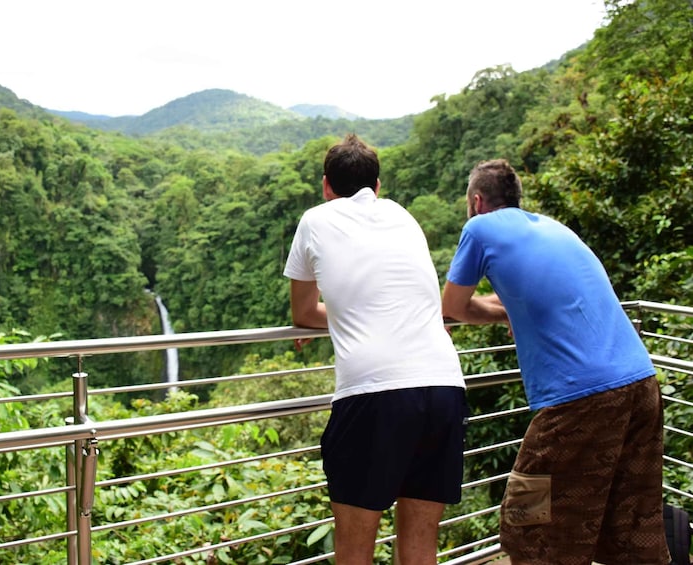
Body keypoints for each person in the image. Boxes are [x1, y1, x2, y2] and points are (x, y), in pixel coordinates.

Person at [441, 158, 669, 565]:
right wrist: (511, 308)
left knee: (527, 516)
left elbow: (454, 306)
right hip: (642, 383)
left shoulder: (479, 228)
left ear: (477, 201)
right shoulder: (553, 228)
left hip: (581, 397)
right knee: (632, 522)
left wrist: (500, 313)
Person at [283, 134, 467, 565]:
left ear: (327, 186)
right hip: (443, 387)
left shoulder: (314, 219)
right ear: (378, 186)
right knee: (421, 550)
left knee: (354, 551)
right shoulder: (403, 216)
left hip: (373, 394)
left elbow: (304, 312)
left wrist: (338, 318)